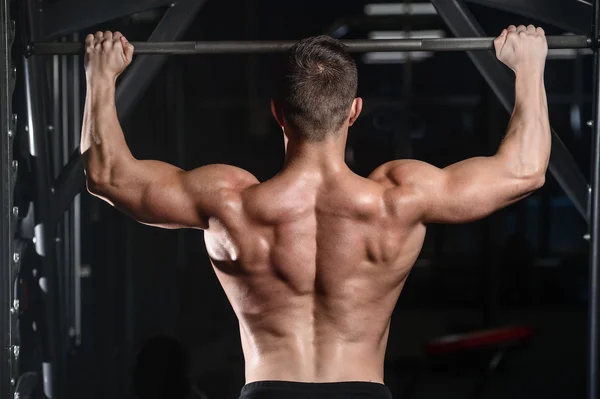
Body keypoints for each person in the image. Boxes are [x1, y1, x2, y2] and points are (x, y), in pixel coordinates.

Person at [81, 25, 549, 399]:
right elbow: (525, 170)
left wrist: (100, 77)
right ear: (354, 111)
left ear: (278, 112)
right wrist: (528, 68)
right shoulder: (398, 199)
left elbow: (107, 175)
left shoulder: (230, 202)